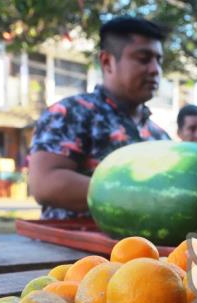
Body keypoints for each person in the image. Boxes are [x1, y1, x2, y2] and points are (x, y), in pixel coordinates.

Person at [27, 16, 171, 219]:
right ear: (107, 61)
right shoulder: (71, 113)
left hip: (142, 249)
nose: (155, 70)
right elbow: (45, 184)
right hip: (71, 249)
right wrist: (142, 197)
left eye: (159, 60)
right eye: (143, 58)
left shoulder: (160, 137)